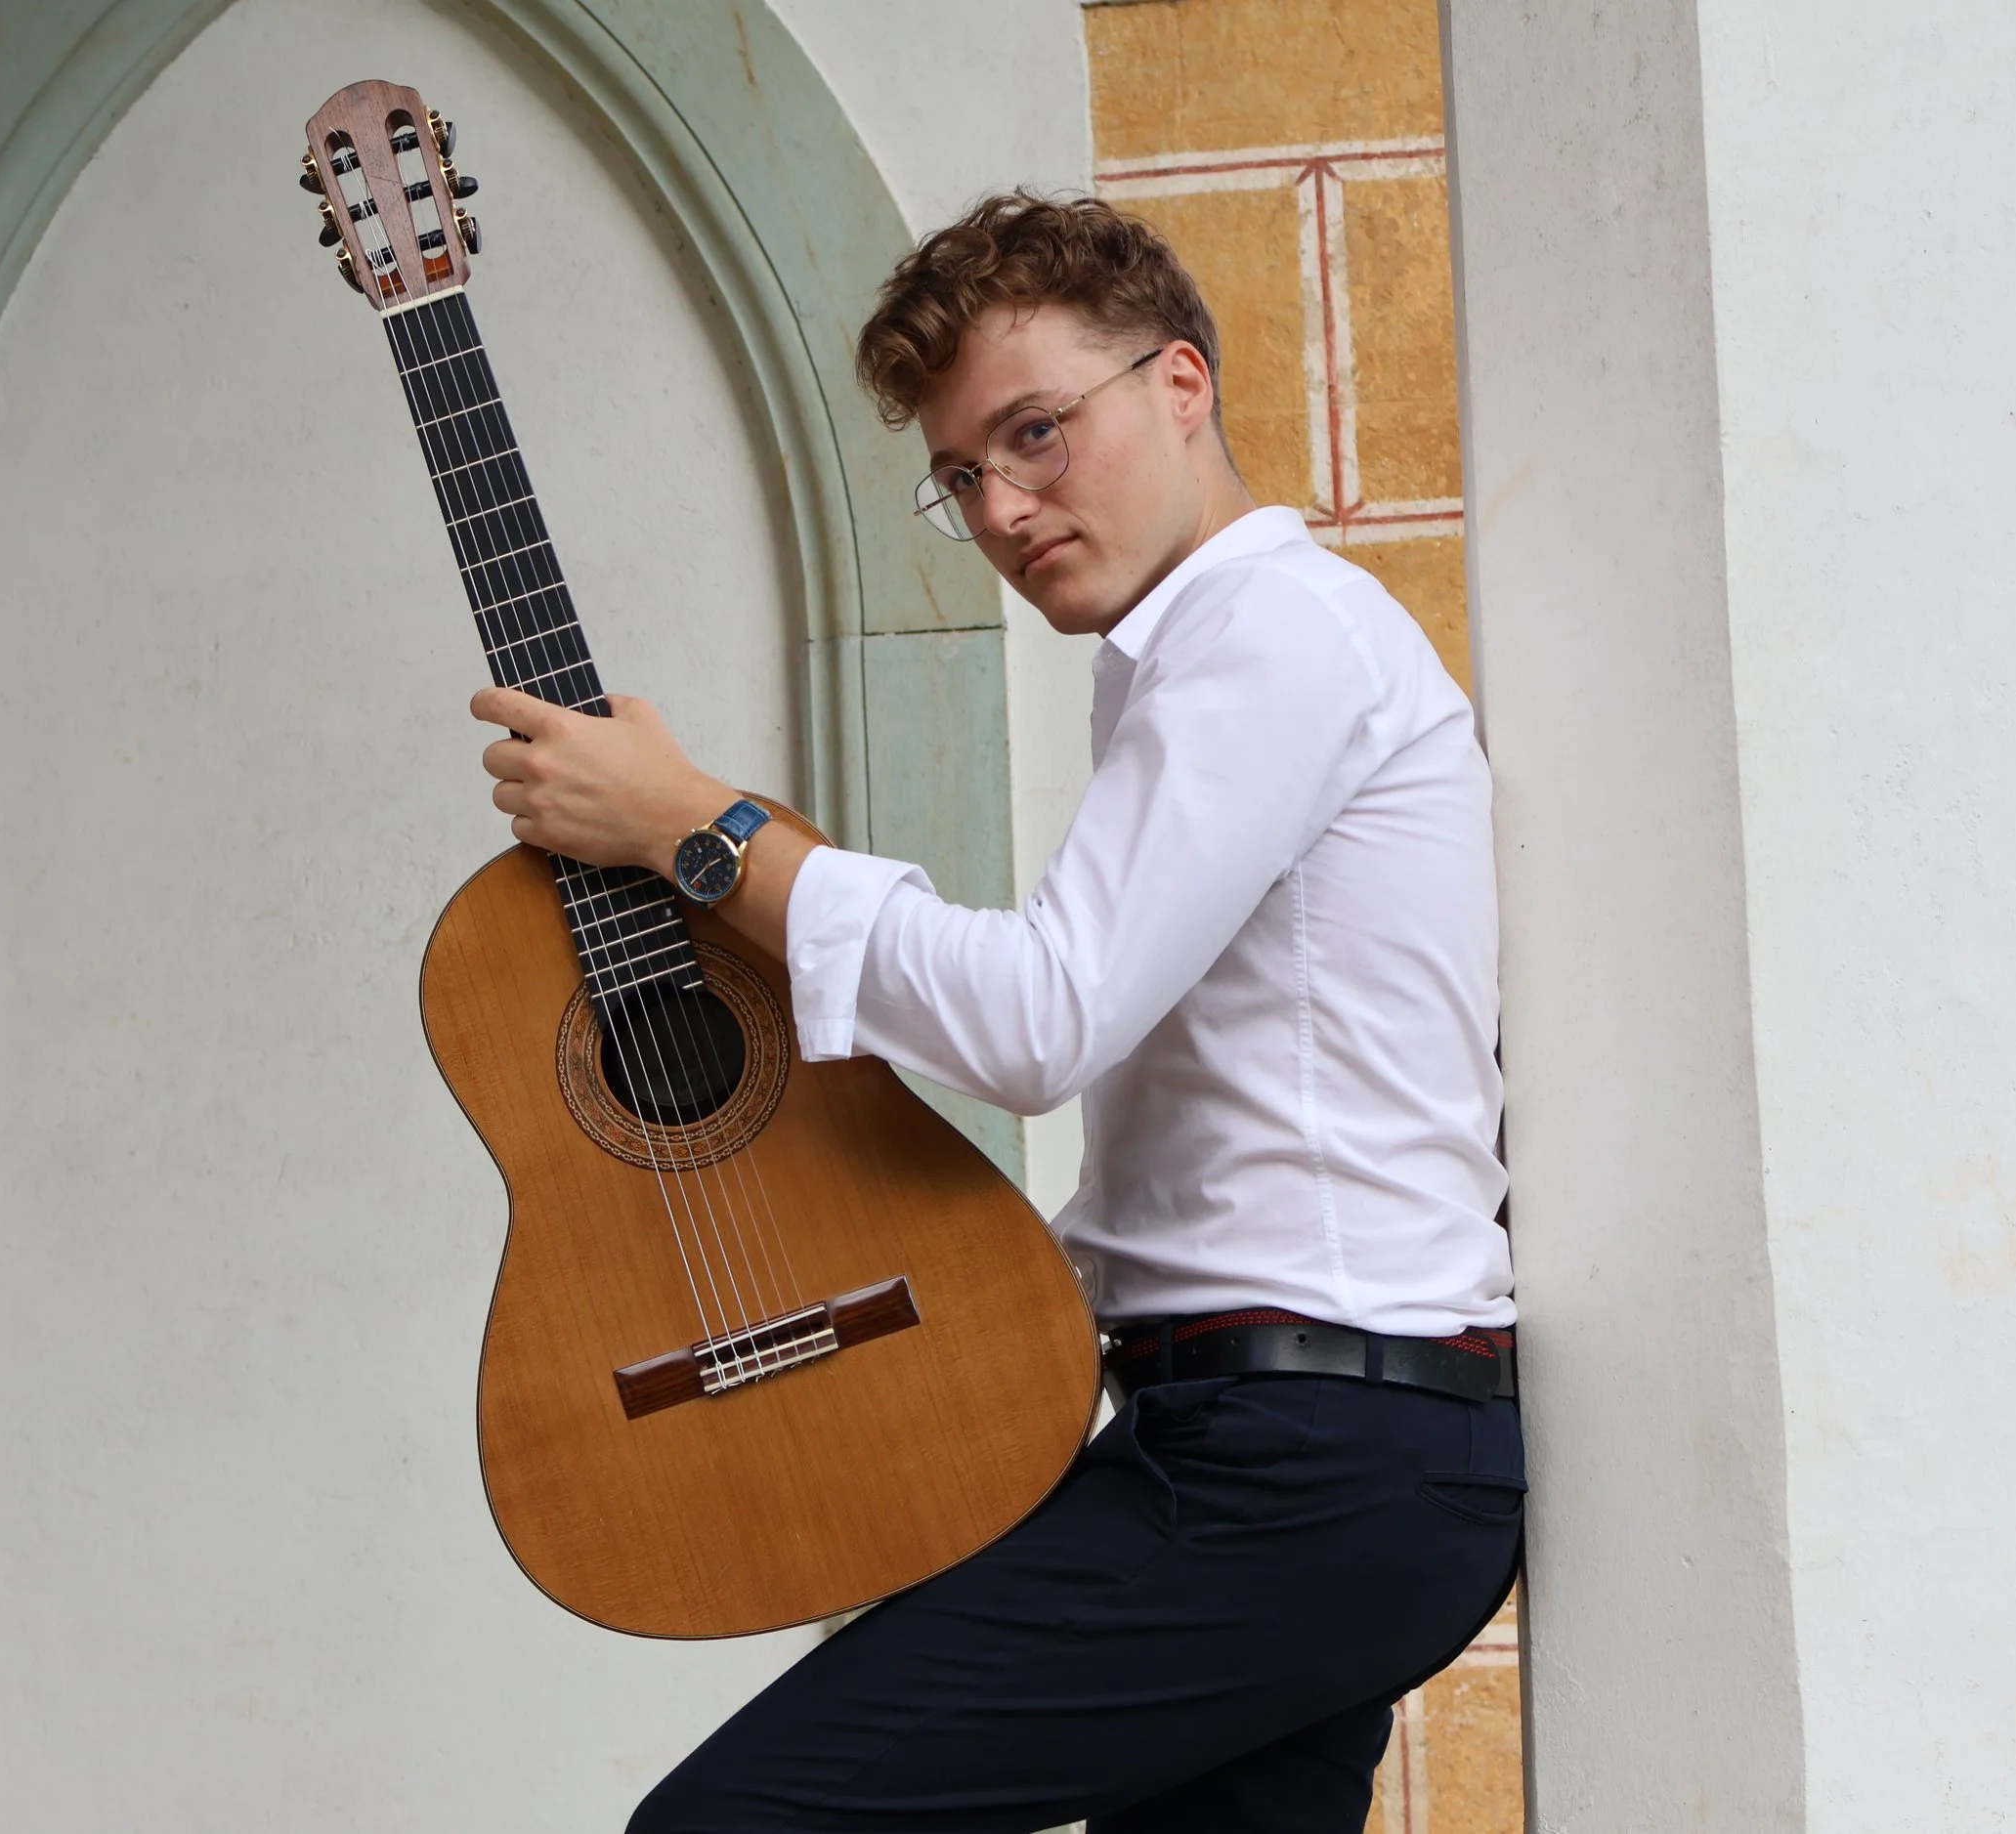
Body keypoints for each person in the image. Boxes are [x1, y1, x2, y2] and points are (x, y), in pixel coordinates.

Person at [472, 193, 1521, 1834]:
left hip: (1305, 1464)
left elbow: (1042, 1015)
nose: (1005, 508)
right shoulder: (1192, 660)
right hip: (1282, 1445)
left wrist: (698, 826)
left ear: (1182, 385)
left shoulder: (1272, 636)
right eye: (961, 476)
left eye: (1036, 434)